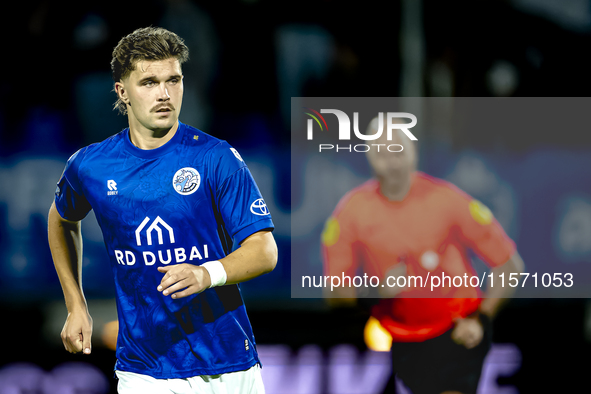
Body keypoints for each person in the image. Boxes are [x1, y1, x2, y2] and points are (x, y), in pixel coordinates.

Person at [47, 27, 277, 393]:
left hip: (229, 363)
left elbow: (264, 251)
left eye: (174, 80)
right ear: (122, 92)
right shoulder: (90, 166)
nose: (165, 94)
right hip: (145, 370)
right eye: (150, 82)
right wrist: (76, 304)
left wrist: (207, 274)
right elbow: (60, 220)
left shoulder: (215, 157)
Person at [321, 117, 524, 394]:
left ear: (413, 151)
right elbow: (334, 292)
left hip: (458, 330)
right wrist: (375, 291)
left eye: (398, 150)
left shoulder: (447, 200)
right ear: (368, 154)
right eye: (382, 152)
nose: (391, 161)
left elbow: (509, 265)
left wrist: (482, 318)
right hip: (403, 340)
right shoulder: (351, 213)